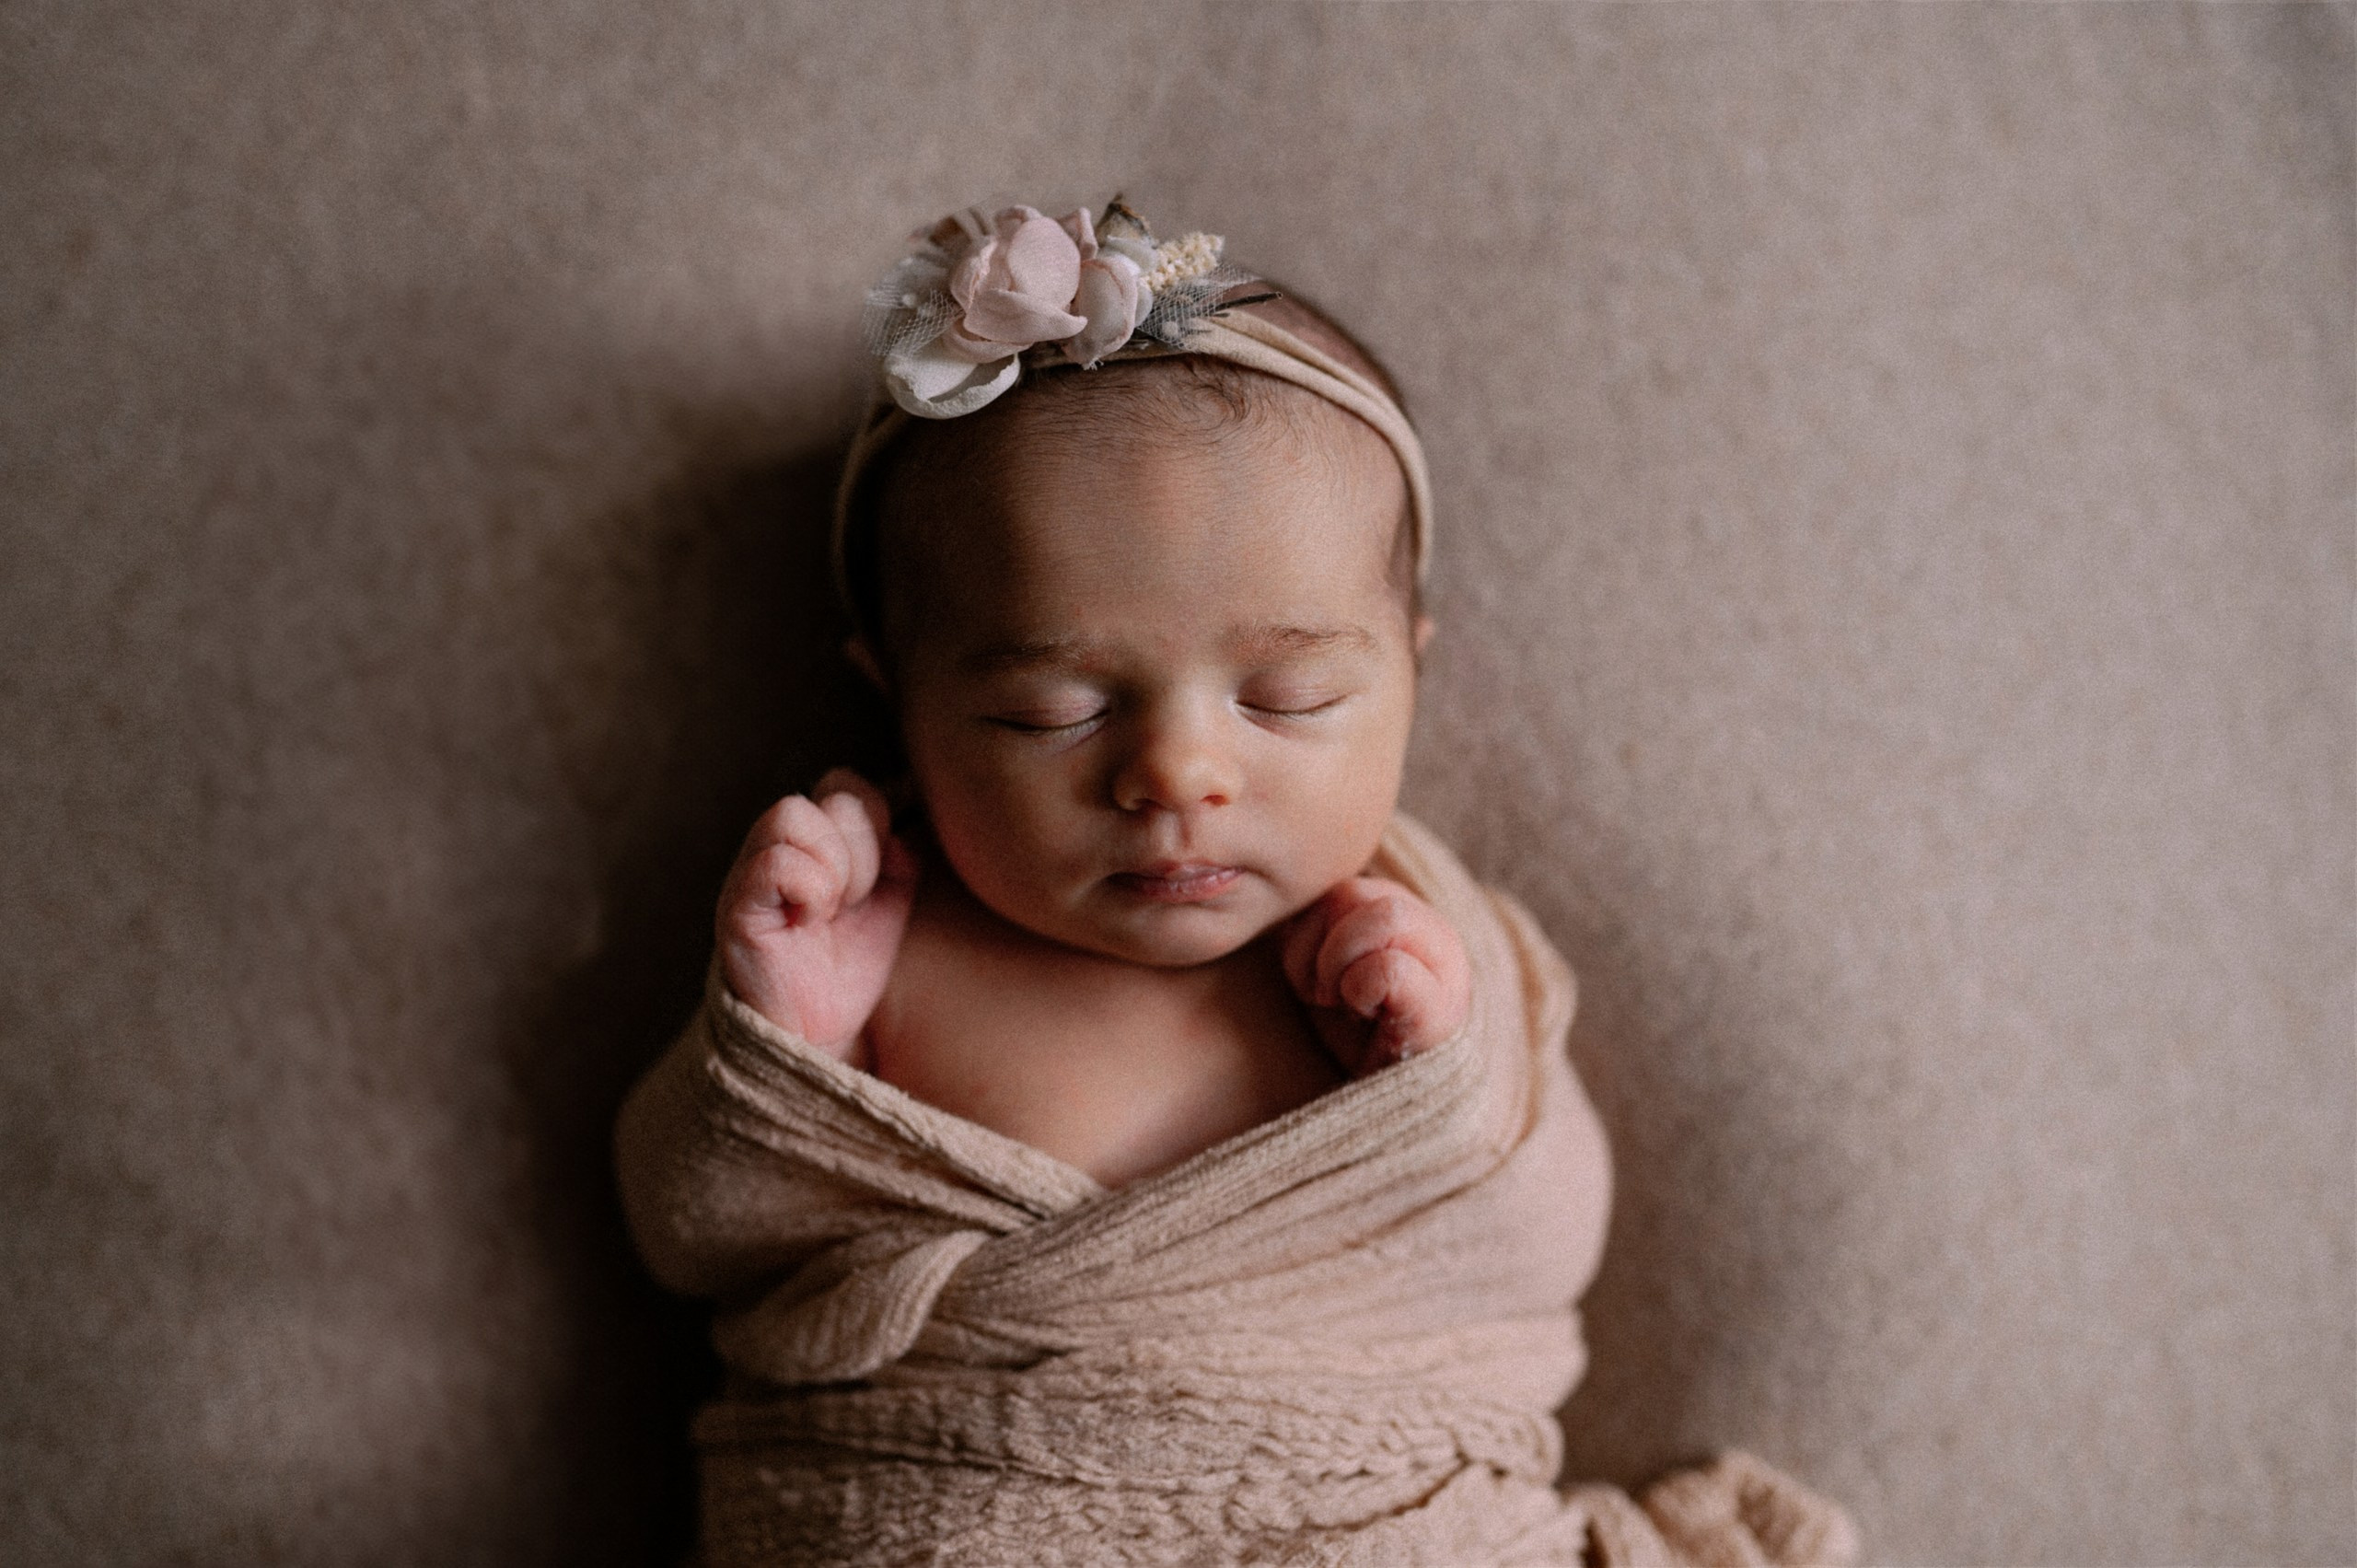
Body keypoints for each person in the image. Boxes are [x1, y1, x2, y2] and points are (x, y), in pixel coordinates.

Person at [615, 199, 1856, 1566]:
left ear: (1411, 671)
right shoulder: (881, 948)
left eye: (1290, 696)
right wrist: (778, 1045)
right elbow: (687, 1232)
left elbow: (1542, 1249)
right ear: (897, 702)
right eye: (1052, 711)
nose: (1179, 774)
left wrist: (1440, 1089)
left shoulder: (1424, 949)